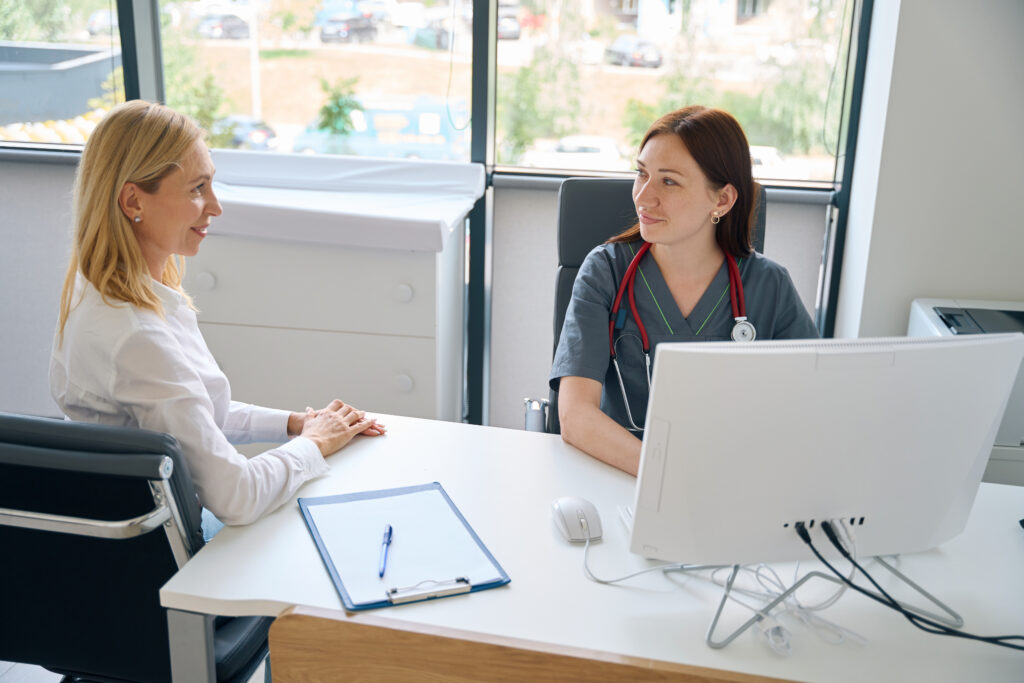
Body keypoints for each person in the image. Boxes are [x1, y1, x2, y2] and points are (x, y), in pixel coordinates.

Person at [50, 100, 385, 528]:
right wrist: (315, 445)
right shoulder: (134, 335)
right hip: (172, 547)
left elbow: (196, 414)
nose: (215, 206)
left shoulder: (99, 288)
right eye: (196, 189)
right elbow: (237, 497)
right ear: (133, 199)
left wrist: (295, 424)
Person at [550, 105, 818, 476]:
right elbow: (575, 415)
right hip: (618, 476)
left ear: (721, 200)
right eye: (641, 174)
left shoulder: (769, 286)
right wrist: (668, 475)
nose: (644, 198)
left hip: (730, 483)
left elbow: (809, 409)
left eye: (669, 181)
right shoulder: (606, 271)